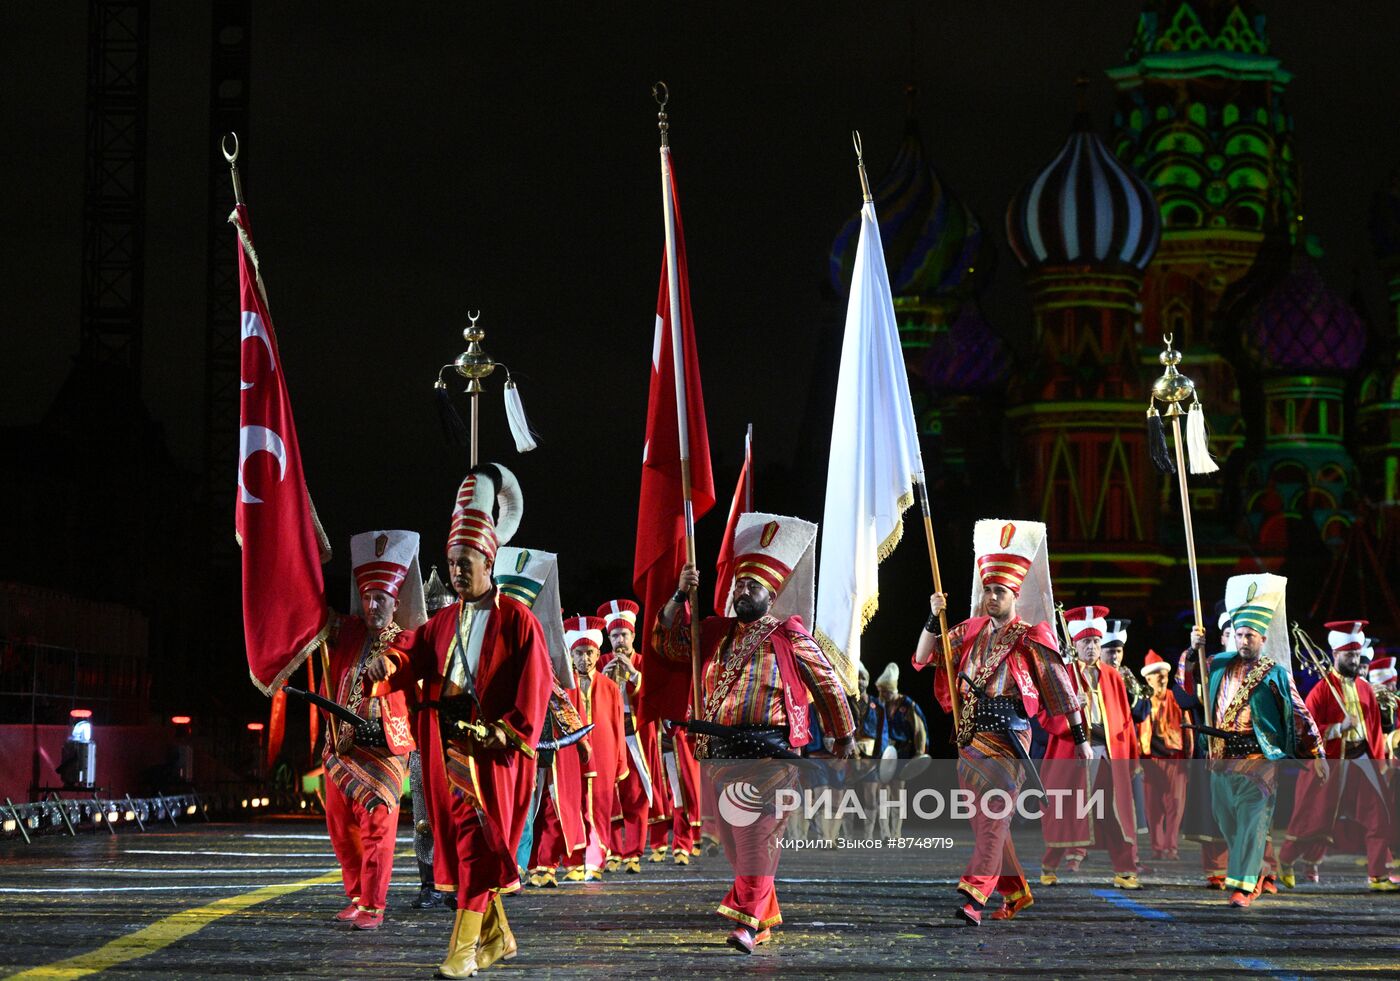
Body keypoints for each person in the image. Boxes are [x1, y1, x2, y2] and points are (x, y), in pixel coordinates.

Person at [379, 464, 553, 978]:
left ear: (488, 561)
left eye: (467, 562)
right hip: (447, 747)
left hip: (492, 750)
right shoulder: (443, 621)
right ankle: (496, 939)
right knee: (465, 844)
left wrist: (510, 728)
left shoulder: (517, 620)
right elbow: (411, 654)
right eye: (452, 562)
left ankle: (461, 953)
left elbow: (536, 683)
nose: (457, 571)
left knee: (478, 843)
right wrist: (386, 663)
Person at [656, 512, 857, 954]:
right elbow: (666, 644)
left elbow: (826, 683)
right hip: (721, 756)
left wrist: (843, 737)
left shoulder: (789, 633)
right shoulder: (712, 631)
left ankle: (745, 923)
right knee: (735, 843)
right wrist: (678, 593)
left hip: (773, 757)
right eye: (739, 585)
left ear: (772, 594)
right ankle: (761, 918)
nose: (743, 591)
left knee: (757, 839)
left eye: (753, 587)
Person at [915, 519, 1090, 926]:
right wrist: (931, 616)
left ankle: (975, 895)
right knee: (986, 824)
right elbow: (924, 657)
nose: (992, 597)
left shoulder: (1032, 637)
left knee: (994, 815)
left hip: (1011, 740)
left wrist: (1080, 738)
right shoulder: (968, 633)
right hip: (971, 739)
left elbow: (1062, 690)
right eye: (988, 590)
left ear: (1015, 594)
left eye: (1000, 591)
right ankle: (1017, 890)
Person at [320, 530, 424, 931]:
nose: (373, 604)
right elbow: (312, 617)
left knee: (378, 827)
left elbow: (404, 660)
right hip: (341, 746)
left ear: (396, 602)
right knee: (341, 829)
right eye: (367, 597)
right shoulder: (347, 632)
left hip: (384, 749)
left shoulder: (407, 639)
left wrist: (389, 665)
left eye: (381, 598)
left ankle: (375, 905)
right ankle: (357, 896)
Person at [1205, 573, 1323, 909]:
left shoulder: (1274, 672)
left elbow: (1301, 715)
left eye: (1250, 636)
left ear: (1262, 637)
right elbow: (1189, 684)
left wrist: (1318, 754)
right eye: (1239, 634)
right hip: (1222, 758)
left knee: (1253, 821)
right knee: (1227, 821)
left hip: (1259, 758)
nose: (1243, 641)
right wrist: (1195, 646)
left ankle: (1243, 887)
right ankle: (1255, 873)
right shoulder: (1217, 665)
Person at [1279, 620, 1398, 891]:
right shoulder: (1321, 691)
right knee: (1314, 819)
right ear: (1336, 655)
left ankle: (1377, 875)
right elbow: (1304, 731)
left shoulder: (1365, 688)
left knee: (1378, 814)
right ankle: (1285, 860)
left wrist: (1381, 763)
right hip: (1332, 762)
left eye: (1357, 655)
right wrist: (1336, 727)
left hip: (1362, 760)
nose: (1355, 660)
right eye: (1349, 655)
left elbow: (1375, 729)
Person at [1038, 606, 1141, 890]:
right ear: (1075, 643)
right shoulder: (1063, 675)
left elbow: (1124, 720)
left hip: (1107, 753)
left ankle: (1126, 870)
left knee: (1115, 811)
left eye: (1096, 641)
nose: (1093, 647)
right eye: (1086, 642)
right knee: (1068, 811)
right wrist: (1073, 709)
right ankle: (1049, 864)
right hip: (1074, 754)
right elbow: (1045, 715)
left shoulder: (1112, 676)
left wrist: (1129, 755)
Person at [563, 615, 628, 881]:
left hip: (604, 754)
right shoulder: (564, 688)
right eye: (579, 653)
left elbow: (618, 724)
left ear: (597, 653)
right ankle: (575, 862)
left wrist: (621, 760)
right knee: (573, 806)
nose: (585, 659)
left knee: (600, 807)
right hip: (572, 756)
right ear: (571, 654)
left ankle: (596, 859)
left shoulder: (610, 687)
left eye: (590, 653)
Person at [598, 599, 660, 873]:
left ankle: (634, 852)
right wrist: (604, 679)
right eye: (613, 635)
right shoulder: (599, 661)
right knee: (609, 793)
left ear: (633, 636)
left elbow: (653, 698)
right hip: (609, 736)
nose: (619, 640)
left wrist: (634, 675)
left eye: (623, 635)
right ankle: (612, 850)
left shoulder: (643, 663)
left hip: (635, 734)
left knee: (636, 791)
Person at [410, 565, 457, 911]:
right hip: (421, 744)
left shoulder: (463, 650)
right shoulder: (414, 649)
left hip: (456, 742)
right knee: (424, 821)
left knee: (459, 817)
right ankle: (429, 883)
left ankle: (458, 883)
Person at [1136, 651, 1201, 861]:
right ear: (1148, 679)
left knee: (1175, 805)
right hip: (1150, 760)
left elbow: (1188, 730)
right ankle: (1157, 847)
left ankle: (1171, 847)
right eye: (1157, 674)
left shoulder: (1176, 699)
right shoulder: (1142, 701)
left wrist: (1190, 760)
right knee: (1153, 808)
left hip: (1175, 759)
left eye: (1164, 673)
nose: (1162, 678)